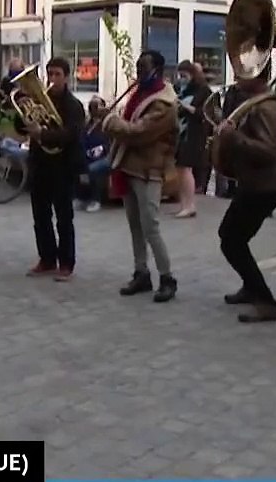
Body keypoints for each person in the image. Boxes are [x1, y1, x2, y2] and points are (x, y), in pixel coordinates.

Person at [214, 61, 276, 324]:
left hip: (263, 185)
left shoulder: (267, 108)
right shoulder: (261, 103)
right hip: (258, 183)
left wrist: (231, 136)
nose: (236, 78)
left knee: (231, 240)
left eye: (241, 74)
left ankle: (266, 301)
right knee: (232, 237)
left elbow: (267, 151)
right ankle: (251, 288)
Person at [103, 49, 179, 302]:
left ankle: (167, 277)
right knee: (135, 226)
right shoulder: (140, 93)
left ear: (158, 70)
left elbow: (139, 132)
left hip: (150, 171)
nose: (139, 74)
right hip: (129, 165)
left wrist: (109, 121)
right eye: (137, 68)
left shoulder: (164, 103)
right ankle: (141, 273)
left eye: (143, 69)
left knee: (151, 227)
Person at [20, 58, 86, 281]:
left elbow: (71, 134)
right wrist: (21, 116)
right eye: (50, 74)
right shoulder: (39, 100)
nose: (53, 79)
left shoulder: (73, 105)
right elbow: (23, 127)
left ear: (66, 76)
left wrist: (43, 134)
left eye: (57, 74)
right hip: (40, 163)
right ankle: (47, 259)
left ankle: (66, 263)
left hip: (63, 165)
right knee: (40, 216)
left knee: (63, 217)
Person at [172, 61, 210, 218]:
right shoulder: (182, 90)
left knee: (186, 168)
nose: (181, 79)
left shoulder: (203, 91)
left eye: (184, 75)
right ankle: (184, 204)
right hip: (181, 132)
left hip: (193, 134)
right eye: (180, 75)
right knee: (180, 169)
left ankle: (189, 205)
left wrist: (187, 107)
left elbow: (205, 113)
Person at [77, 97, 111, 212]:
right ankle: (81, 197)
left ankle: (96, 200)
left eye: (97, 106)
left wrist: (101, 149)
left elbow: (111, 143)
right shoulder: (87, 124)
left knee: (93, 169)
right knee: (77, 166)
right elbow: (82, 140)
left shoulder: (108, 123)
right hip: (88, 155)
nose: (95, 109)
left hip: (106, 157)